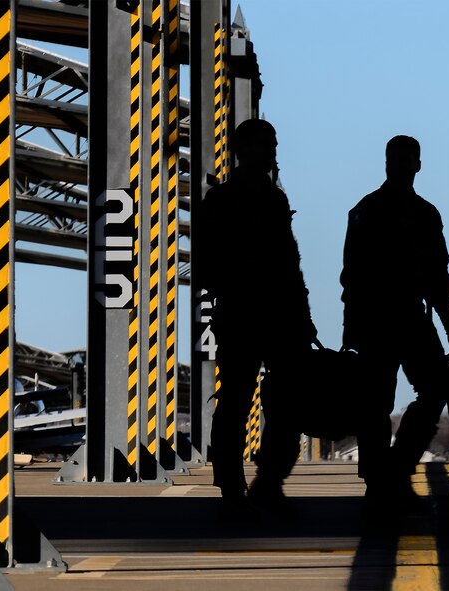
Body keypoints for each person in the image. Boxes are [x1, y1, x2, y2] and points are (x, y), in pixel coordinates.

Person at [194, 118, 318, 521]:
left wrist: (304, 315)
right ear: (242, 150)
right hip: (242, 315)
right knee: (236, 402)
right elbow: (205, 265)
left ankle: (268, 481)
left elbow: (291, 262)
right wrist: (243, 274)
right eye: (265, 145)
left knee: (289, 402)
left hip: (280, 315)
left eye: (274, 145)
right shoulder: (221, 201)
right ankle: (231, 488)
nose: (272, 152)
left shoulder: (275, 199)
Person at [339, 135, 449, 519]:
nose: (402, 165)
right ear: (388, 163)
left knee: (429, 391)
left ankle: (392, 473)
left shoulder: (418, 214)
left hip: (407, 319)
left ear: (417, 165)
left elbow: (439, 279)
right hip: (380, 321)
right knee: (377, 404)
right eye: (397, 159)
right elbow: (352, 278)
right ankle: (384, 481)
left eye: (407, 159)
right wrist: (351, 332)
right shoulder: (369, 211)